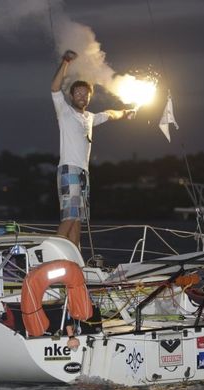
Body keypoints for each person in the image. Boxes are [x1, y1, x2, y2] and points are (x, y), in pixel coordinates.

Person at [51, 50, 135, 247]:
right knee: (69, 217)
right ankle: (52, 256)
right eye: (78, 93)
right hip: (68, 169)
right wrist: (66, 62)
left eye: (85, 94)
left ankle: (76, 262)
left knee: (78, 220)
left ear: (89, 98)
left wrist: (126, 112)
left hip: (83, 173)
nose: (82, 96)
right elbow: (55, 88)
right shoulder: (64, 112)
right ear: (71, 96)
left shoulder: (89, 118)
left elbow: (109, 114)